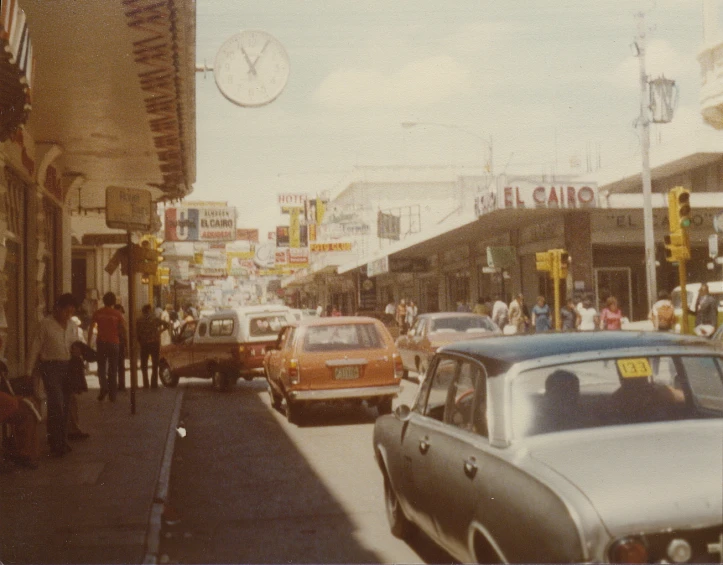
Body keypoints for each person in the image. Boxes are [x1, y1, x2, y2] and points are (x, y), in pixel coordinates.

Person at [26, 293, 78, 457]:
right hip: (50, 367)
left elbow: (74, 344)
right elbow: (35, 347)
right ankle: (55, 442)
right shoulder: (46, 324)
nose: (68, 315)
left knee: (66, 404)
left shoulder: (71, 325)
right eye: (65, 311)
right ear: (57, 309)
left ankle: (62, 441)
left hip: (67, 366)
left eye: (71, 312)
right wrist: (28, 371)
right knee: (57, 403)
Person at [89, 292, 127, 402]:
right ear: (114, 302)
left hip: (101, 342)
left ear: (103, 301)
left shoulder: (98, 313)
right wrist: (125, 342)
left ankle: (104, 387)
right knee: (113, 369)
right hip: (114, 343)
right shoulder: (117, 314)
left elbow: (91, 328)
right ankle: (112, 395)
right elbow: (124, 328)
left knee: (101, 367)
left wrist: (88, 343)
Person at [136, 304, 170, 389]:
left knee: (144, 365)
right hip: (154, 343)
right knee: (155, 364)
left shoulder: (139, 320)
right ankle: (154, 384)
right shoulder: (155, 319)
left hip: (144, 344)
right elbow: (167, 325)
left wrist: (139, 341)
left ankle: (145, 384)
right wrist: (160, 332)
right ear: (149, 310)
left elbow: (137, 332)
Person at [114, 303, 127, 392]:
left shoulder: (120, 318)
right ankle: (119, 384)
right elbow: (124, 331)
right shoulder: (119, 318)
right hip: (118, 342)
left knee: (119, 365)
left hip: (118, 342)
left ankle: (120, 384)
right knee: (118, 365)